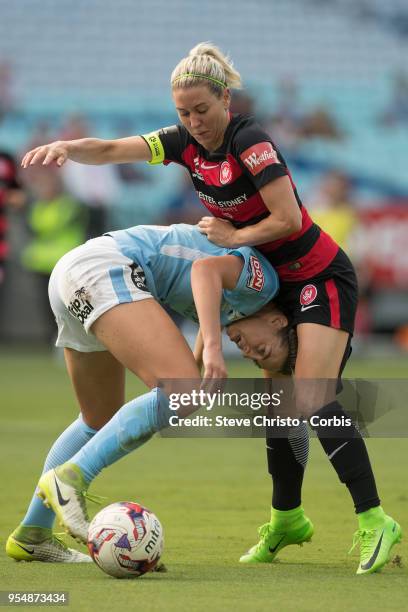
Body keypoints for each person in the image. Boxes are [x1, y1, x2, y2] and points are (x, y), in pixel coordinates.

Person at [20, 42, 401, 574]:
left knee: (312, 395)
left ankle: (374, 520)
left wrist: (232, 234)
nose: (194, 122)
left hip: (316, 274)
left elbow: (289, 220)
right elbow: (113, 149)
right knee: (280, 405)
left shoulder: (250, 140)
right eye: (183, 113)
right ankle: (287, 518)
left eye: (202, 110)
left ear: (225, 98)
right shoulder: (183, 143)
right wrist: (69, 147)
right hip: (269, 281)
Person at [6, 222, 281, 563]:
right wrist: (212, 349)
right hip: (105, 269)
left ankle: (33, 534)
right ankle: (71, 478)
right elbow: (204, 269)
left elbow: (206, 298)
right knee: (184, 392)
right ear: (278, 322)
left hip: (75, 273)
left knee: (98, 419)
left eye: (256, 359)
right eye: (264, 351)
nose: (252, 354)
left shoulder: (237, 308)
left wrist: (194, 362)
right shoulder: (265, 284)